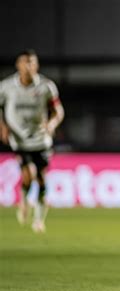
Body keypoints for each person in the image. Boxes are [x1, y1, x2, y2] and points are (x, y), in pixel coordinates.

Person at [0, 49, 65, 233]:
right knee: (28, 173)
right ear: (18, 65)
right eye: (25, 63)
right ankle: (23, 200)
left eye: (32, 63)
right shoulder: (6, 87)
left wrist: (52, 124)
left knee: (42, 178)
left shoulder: (46, 87)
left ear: (36, 66)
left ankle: (39, 220)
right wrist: (2, 125)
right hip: (19, 138)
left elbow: (58, 111)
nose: (28, 67)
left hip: (41, 139)